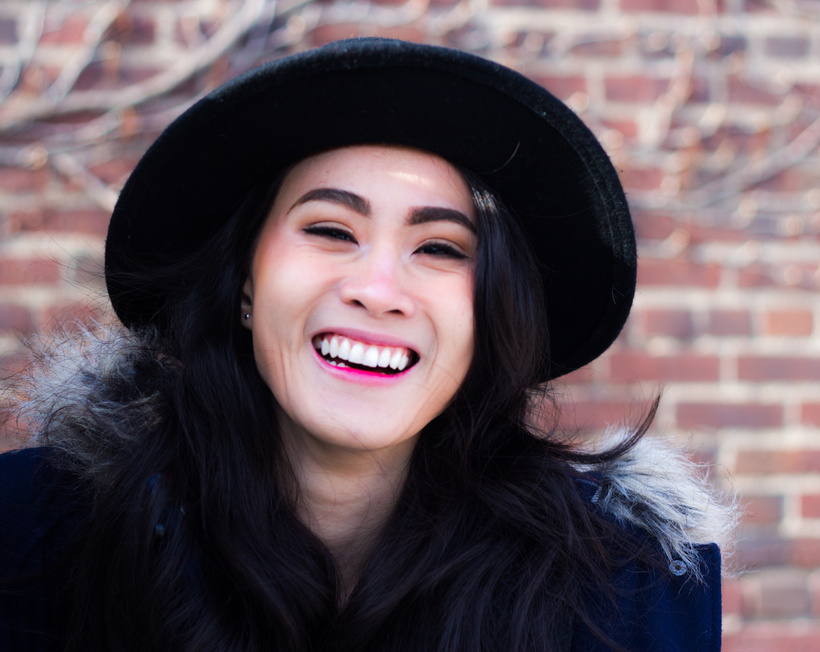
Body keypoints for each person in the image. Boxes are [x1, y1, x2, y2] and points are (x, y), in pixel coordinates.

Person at [0, 38, 735, 651]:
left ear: (489, 312)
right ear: (247, 286)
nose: (377, 288)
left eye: (441, 248)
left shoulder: (628, 593)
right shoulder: (35, 537)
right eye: (329, 230)